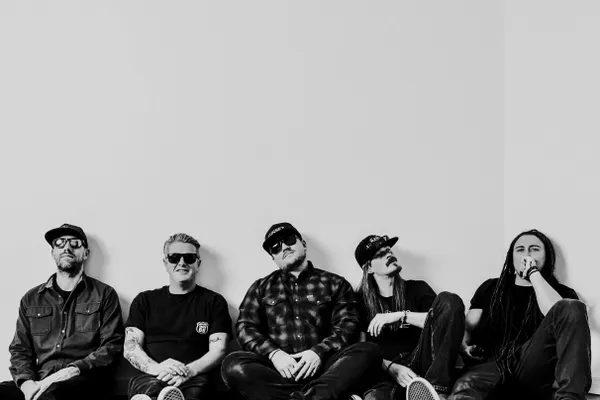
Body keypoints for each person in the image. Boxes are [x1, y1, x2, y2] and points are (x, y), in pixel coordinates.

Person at [221, 222, 381, 400]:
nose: (284, 247)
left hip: (326, 369)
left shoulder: (335, 283)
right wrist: (275, 354)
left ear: (303, 244)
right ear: (273, 258)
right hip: (279, 372)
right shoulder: (261, 288)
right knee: (232, 364)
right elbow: (245, 327)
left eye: (289, 239)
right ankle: (315, 397)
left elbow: (348, 324)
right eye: (276, 247)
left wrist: (318, 352)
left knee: (369, 351)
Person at [450, 229, 591, 400]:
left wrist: (533, 273)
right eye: (520, 250)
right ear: (511, 258)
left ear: (547, 257)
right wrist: (464, 347)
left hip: (532, 369)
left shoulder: (561, 293)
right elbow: (467, 327)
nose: (527, 255)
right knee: (466, 386)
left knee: (571, 307)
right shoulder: (491, 288)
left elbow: (559, 312)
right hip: (491, 367)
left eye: (534, 249)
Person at [0, 223, 124, 400]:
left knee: (54, 394)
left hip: (82, 381)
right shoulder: (32, 298)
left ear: (85, 253)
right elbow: (20, 350)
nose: (67, 247)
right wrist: (27, 385)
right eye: (60, 243)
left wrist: (70, 371)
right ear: (53, 253)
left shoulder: (104, 294)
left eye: (75, 243)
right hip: (40, 380)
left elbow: (112, 347)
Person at [354, 234, 465, 400]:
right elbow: (360, 348)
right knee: (374, 397)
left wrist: (401, 316)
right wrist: (391, 367)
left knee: (450, 300)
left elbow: (443, 319)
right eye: (380, 254)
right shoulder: (359, 302)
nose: (389, 254)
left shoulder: (417, 288)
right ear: (369, 268)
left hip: (422, 364)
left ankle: (436, 392)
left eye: (389, 250)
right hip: (385, 372)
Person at [124, 233, 232, 400]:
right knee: (149, 391)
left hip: (195, 377)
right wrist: (157, 369)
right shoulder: (144, 300)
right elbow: (131, 347)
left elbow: (219, 350)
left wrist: (188, 371)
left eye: (189, 258)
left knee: (194, 394)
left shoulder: (214, 302)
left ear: (198, 264)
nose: (182, 263)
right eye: (174, 258)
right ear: (165, 263)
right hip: (151, 375)